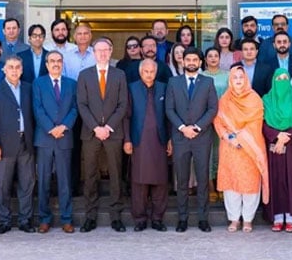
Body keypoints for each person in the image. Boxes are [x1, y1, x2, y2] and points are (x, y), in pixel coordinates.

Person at [76, 38, 128, 233]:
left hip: (113, 133)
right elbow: (82, 104)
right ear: (94, 53)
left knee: (116, 175)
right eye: (99, 50)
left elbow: (123, 104)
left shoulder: (119, 74)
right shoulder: (84, 75)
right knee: (89, 175)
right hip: (90, 133)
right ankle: (90, 216)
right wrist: (96, 127)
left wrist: (109, 127)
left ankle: (116, 217)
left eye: (106, 50)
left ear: (111, 51)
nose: (103, 53)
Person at [165, 47, 218, 233]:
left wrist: (197, 127)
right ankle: (182, 219)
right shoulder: (173, 82)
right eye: (188, 59)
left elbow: (212, 109)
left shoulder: (208, 82)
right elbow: (169, 109)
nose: (192, 62)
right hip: (180, 137)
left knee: (203, 180)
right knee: (182, 180)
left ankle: (203, 219)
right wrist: (182, 128)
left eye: (195, 59)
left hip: (202, 137)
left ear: (200, 62)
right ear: (183, 61)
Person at [214, 65, 269, 233]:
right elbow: (218, 120)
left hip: (249, 148)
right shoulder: (225, 99)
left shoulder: (254, 98)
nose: (238, 80)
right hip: (230, 147)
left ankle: (248, 219)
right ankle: (234, 219)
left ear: (246, 79)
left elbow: (256, 122)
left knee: (250, 183)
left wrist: (240, 138)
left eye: (241, 77)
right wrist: (228, 137)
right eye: (235, 77)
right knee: (232, 184)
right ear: (230, 80)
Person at [0, 56, 36, 235]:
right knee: (2, 185)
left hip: (26, 143)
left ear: (22, 70)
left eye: (17, 67)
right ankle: (4, 221)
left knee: (27, 184)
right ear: (4, 70)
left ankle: (25, 220)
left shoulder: (30, 88)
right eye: (10, 67)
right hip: (3, 145)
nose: (14, 70)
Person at [124, 59, 172, 232]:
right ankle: (140, 219)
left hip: (159, 140)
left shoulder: (164, 87)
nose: (149, 74)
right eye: (146, 71)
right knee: (139, 182)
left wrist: (170, 139)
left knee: (160, 181)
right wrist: (127, 139)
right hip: (138, 140)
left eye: (152, 71)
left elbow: (169, 116)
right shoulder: (132, 88)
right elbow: (126, 116)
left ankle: (158, 218)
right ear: (140, 72)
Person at [33, 50, 77, 234]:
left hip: (64, 137)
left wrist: (64, 126)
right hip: (45, 137)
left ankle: (67, 219)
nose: (56, 64)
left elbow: (75, 108)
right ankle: (44, 219)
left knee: (64, 181)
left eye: (59, 61)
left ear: (63, 63)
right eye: (52, 61)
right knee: (43, 180)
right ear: (46, 64)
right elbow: (37, 108)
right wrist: (51, 128)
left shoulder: (72, 84)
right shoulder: (38, 83)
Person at [262, 68, 292, 232]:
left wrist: (286, 138)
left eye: (284, 78)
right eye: (278, 78)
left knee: (291, 179)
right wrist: (276, 136)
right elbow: (262, 123)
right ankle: (277, 216)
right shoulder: (266, 100)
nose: (281, 82)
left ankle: (291, 217)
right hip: (272, 147)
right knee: (275, 180)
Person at [202, 47, 228, 203]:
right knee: (208, 155)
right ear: (205, 59)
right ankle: (211, 187)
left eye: (215, 56)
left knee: (222, 154)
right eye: (209, 56)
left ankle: (222, 186)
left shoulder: (228, 75)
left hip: (224, 121)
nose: (213, 58)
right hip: (206, 121)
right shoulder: (201, 76)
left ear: (220, 58)